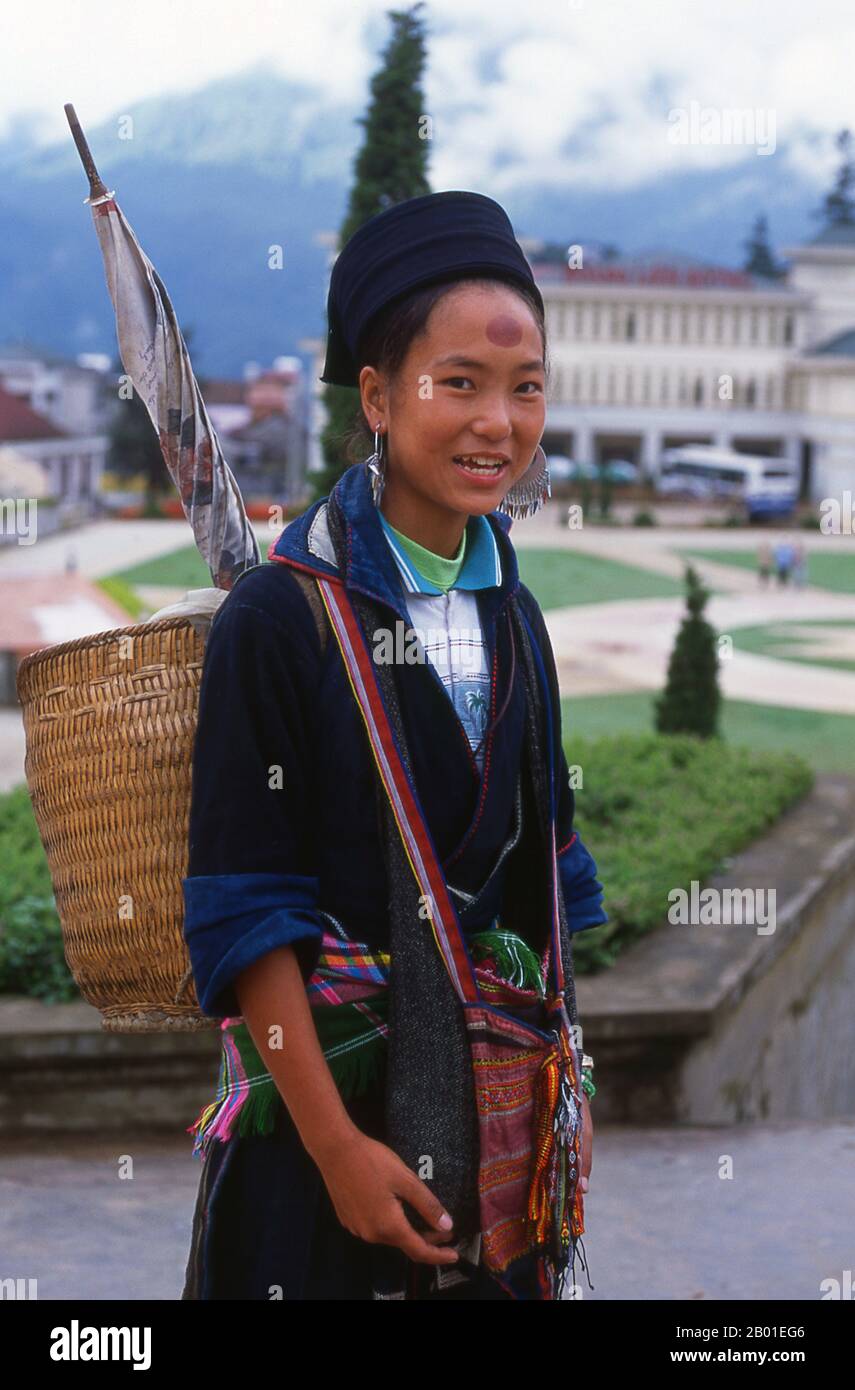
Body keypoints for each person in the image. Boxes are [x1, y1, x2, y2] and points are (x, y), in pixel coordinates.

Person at [179, 191, 608, 1301]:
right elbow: (246, 915)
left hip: (493, 1145)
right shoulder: (279, 621)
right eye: (456, 382)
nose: (497, 424)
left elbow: (537, 893)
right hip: (322, 1151)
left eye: (525, 389)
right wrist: (337, 1153)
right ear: (376, 395)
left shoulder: (515, 615)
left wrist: (559, 1094)